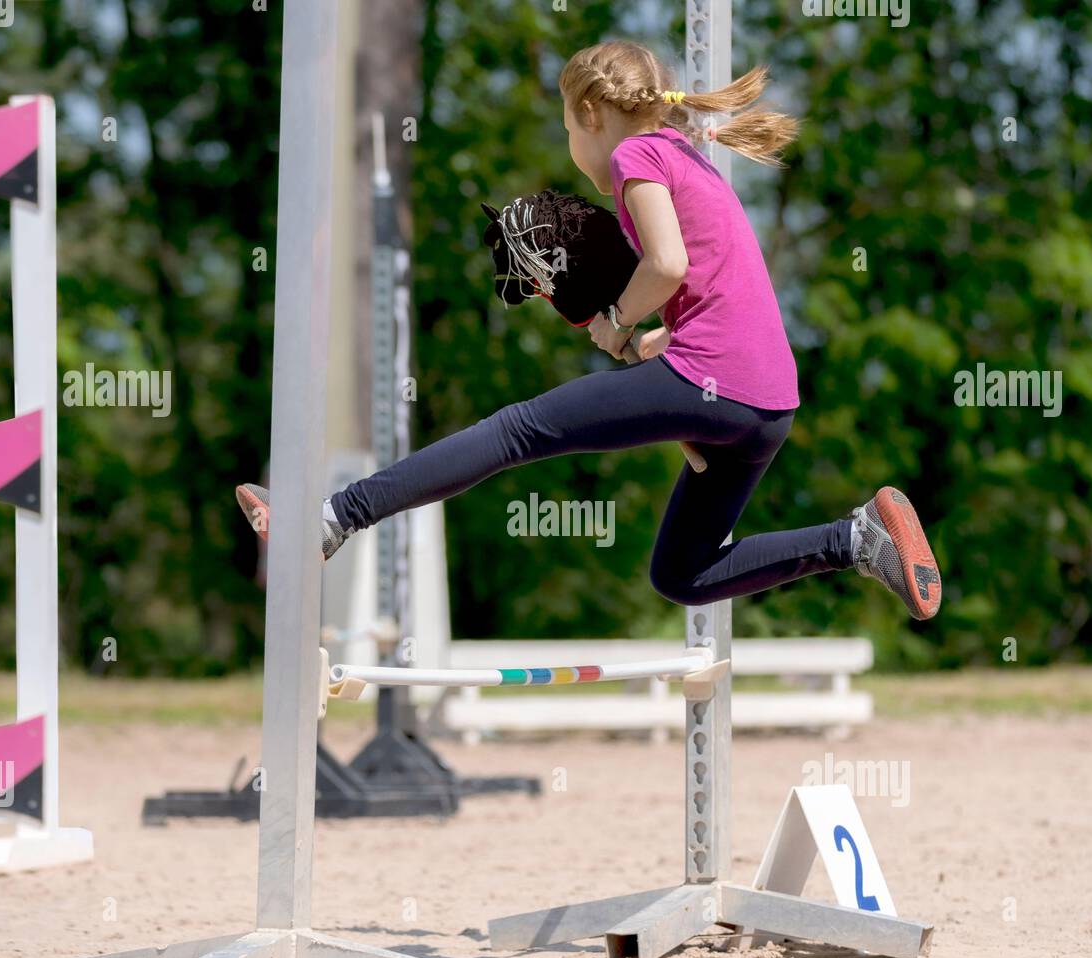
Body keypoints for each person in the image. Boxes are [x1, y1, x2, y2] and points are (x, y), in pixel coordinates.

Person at [237, 40, 941, 620]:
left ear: (590, 114)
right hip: (767, 403)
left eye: (567, 127)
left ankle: (330, 520)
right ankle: (855, 539)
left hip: (718, 379)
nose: (570, 140)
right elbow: (705, 302)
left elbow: (667, 265)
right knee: (684, 575)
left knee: (515, 431)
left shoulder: (638, 158)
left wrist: (615, 319)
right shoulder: (684, 157)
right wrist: (644, 349)